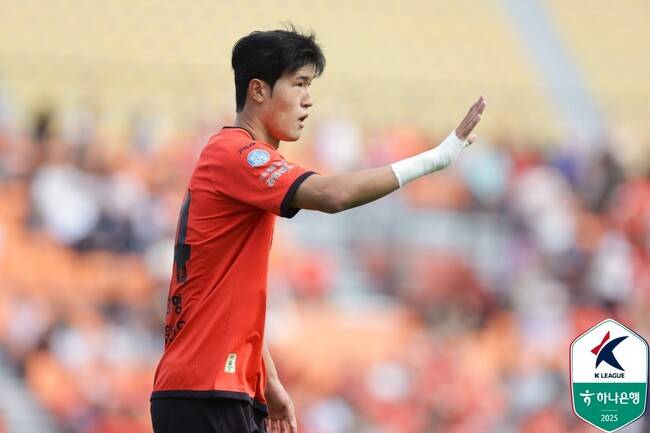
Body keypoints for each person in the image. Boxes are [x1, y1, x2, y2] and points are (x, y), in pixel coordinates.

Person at [150, 27, 486, 433]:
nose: (308, 98)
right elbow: (332, 195)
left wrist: (268, 380)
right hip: (206, 390)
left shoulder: (236, 163)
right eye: (299, 84)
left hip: (211, 387)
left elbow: (228, 298)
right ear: (258, 90)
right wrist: (435, 158)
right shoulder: (236, 155)